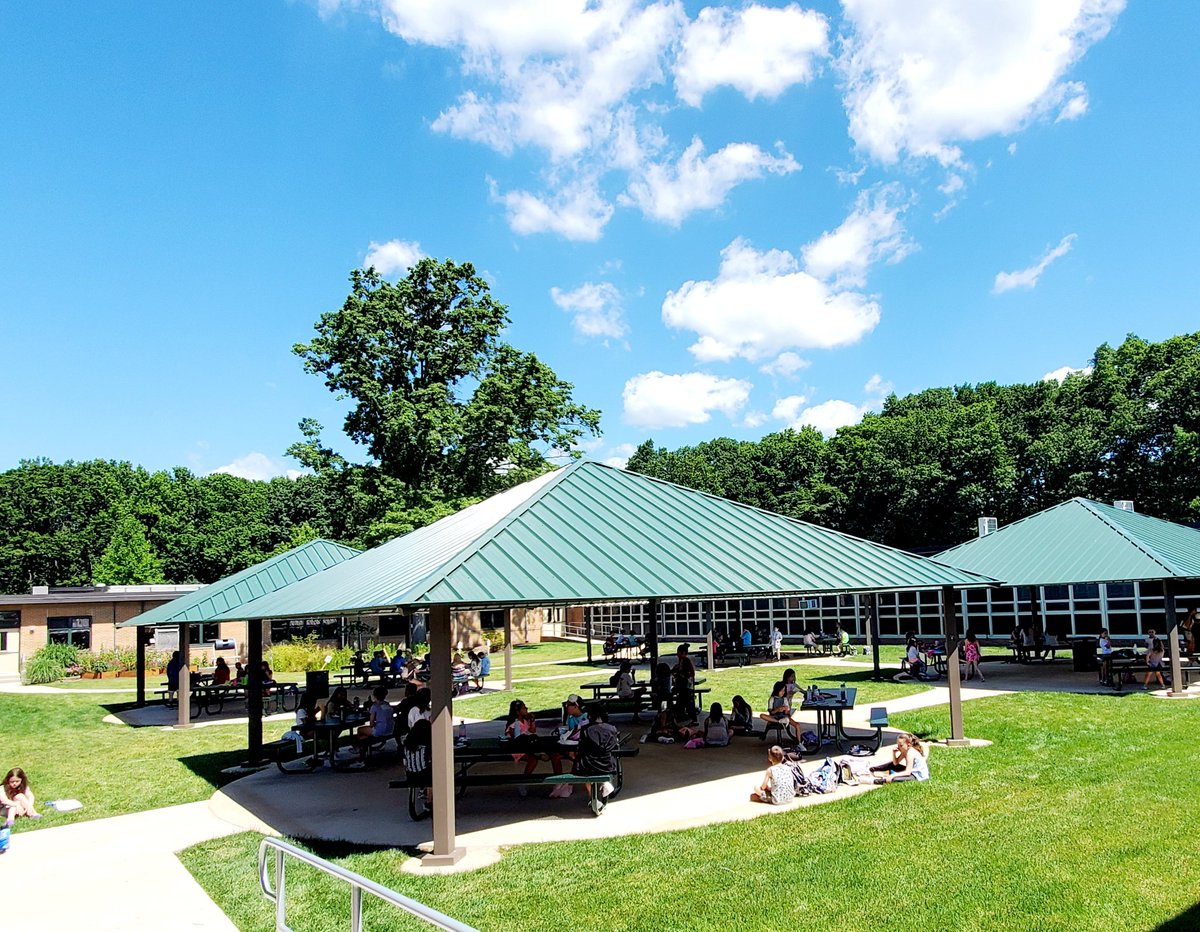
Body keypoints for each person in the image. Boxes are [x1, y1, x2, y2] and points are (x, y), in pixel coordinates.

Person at [572, 705, 620, 802]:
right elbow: (614, 746)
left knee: (584, 766)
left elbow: (581, 748)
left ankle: (591, 797)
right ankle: (605, 783)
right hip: (607, 765)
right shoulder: (612, 729)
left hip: (588, 765)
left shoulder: (585, 729)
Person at [356, 687, 396, 760]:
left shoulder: (374, 706)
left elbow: (371, 724)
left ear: (374, 696)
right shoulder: (387, 704)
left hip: (380, 731)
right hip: (391, 729)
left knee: (360, 730)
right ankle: (364, 748)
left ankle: (361, 751)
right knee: (366, 735)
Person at [403, 718, 433, 814]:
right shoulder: (426, 746)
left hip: (411, 776)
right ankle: (429, 801)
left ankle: (424, 792)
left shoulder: (407, 745)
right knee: (432, 773)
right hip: (425, 775)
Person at [672, 644, 697, 721]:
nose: (677, 654)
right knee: (682, 701)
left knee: (687, 702)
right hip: (683, 685)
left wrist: (680, 674)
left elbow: (689, 673)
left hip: (686, 686)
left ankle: (690, 717)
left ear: (683, 653)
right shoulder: (681, 661)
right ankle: (681, 715)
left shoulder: (686, 661)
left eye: (679, 653)